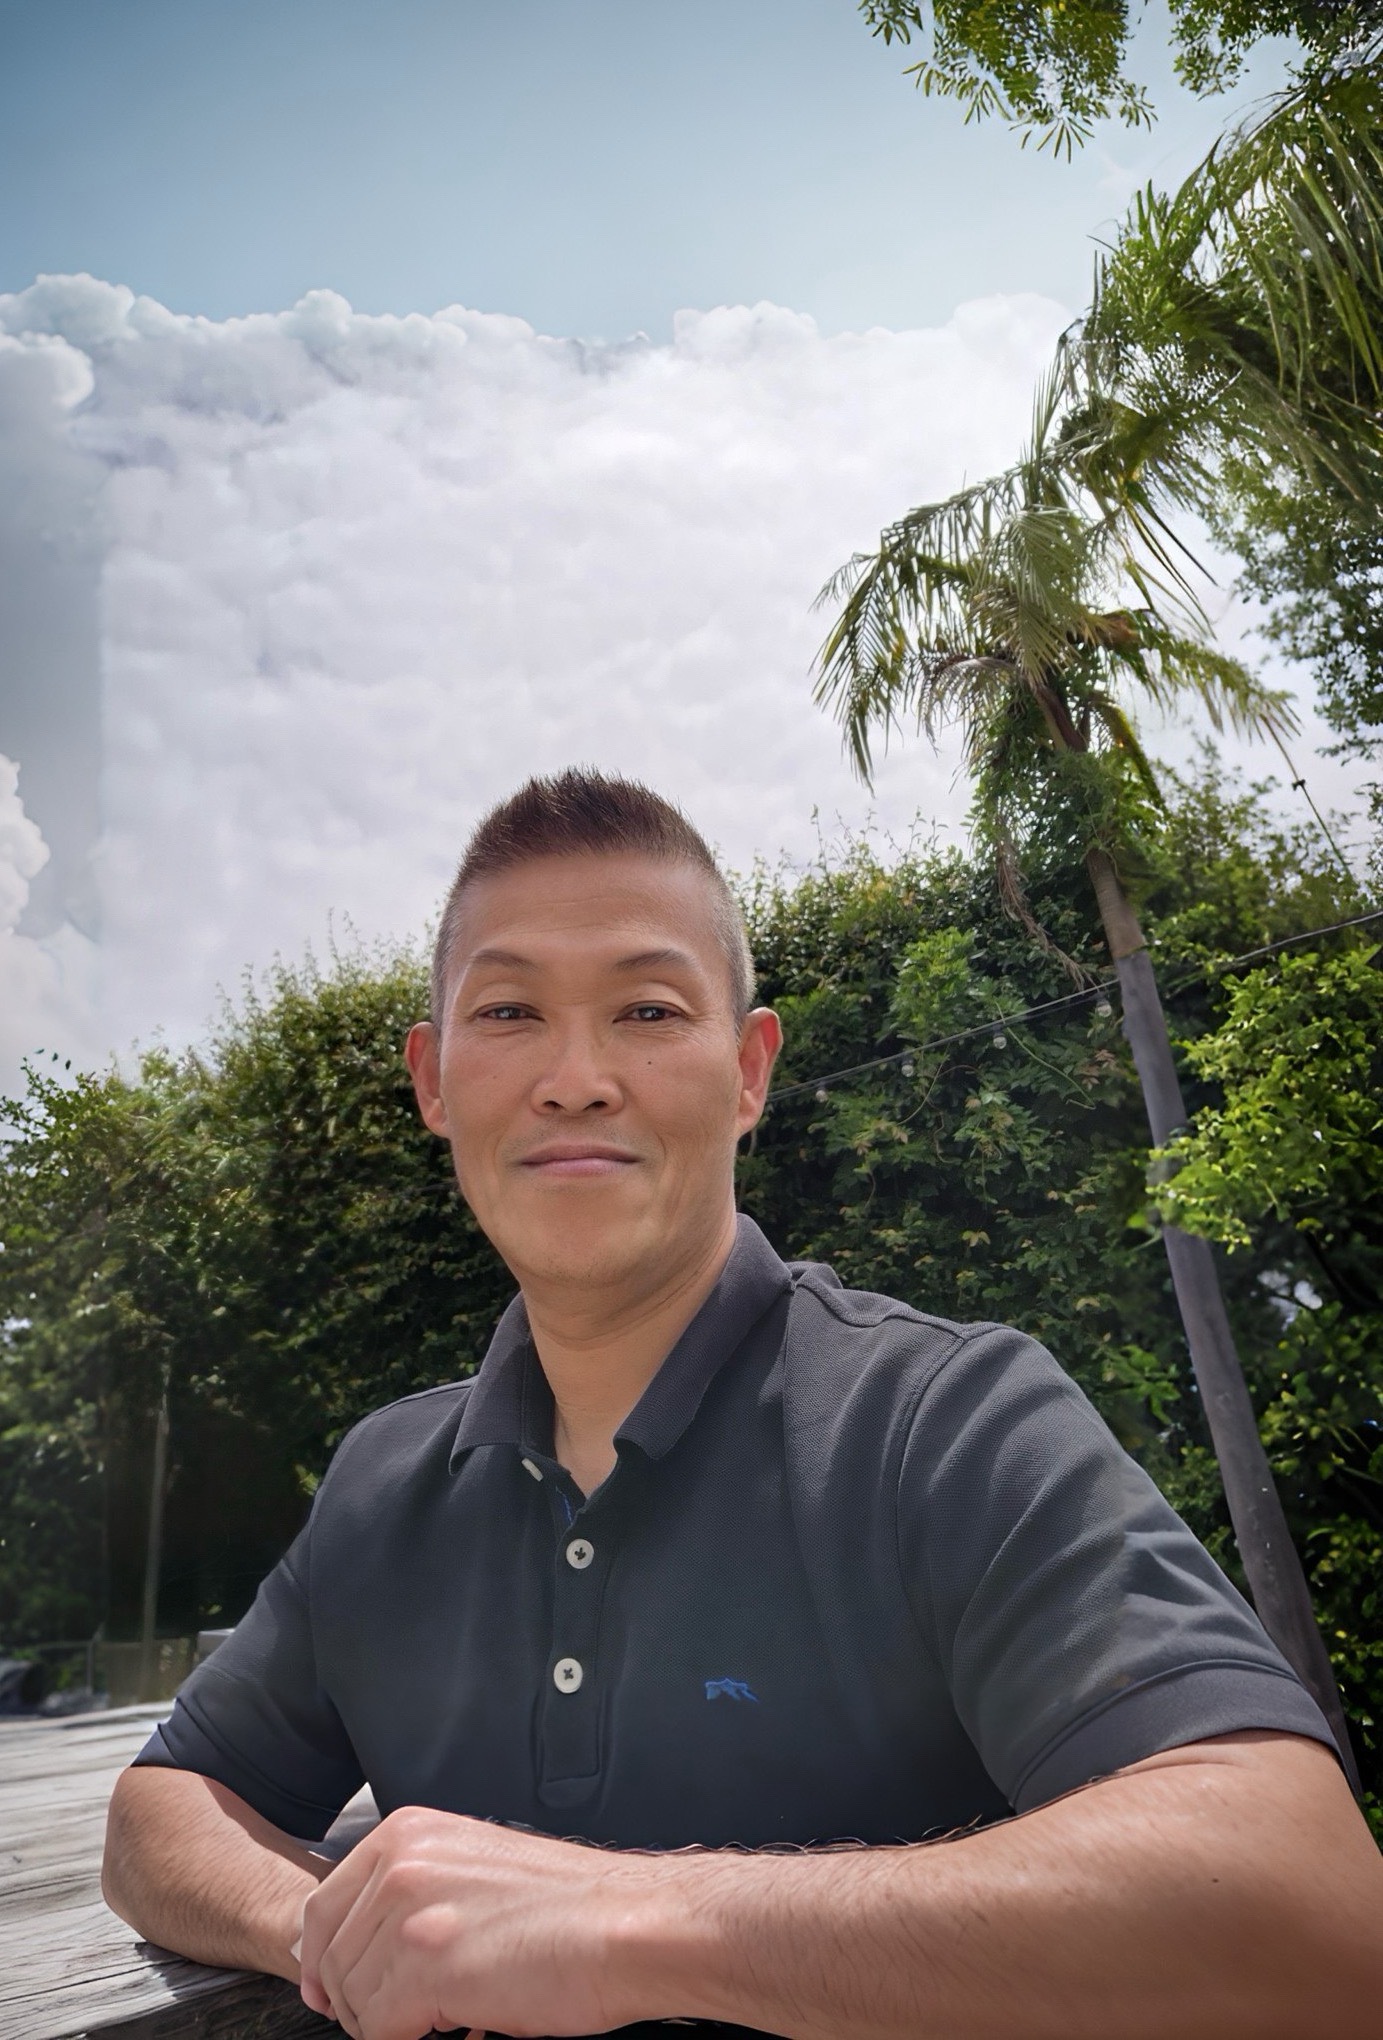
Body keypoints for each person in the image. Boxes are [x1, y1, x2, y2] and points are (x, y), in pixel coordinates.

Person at [103, 770, 1383, 2040]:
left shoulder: (946, 1419)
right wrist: (336, 1931)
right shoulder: (381, 1482)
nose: (575, 1078)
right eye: (509, 1011)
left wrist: (625, 1925)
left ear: (750, 1069)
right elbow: (163, 1807)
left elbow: (1313, 1903)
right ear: (434, 1081)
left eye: (648, 1010)